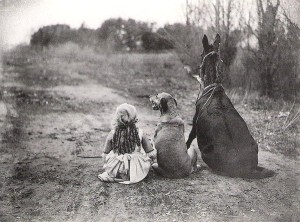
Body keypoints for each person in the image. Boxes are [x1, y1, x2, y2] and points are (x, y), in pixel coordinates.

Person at [98, 103, 156, 184]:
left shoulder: (113, 133)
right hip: (135, 169)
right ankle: (129, 177)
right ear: (134, 118)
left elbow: (105, 152)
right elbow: (150, 152)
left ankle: (117, 177)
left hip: (116, 166)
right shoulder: (140, 133)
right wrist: (152, 160)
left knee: (112, 163)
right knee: (144, 162)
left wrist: (107, 160)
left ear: (117, 118)